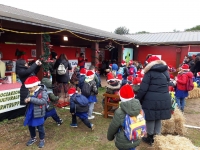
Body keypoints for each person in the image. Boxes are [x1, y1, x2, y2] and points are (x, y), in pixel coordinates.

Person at [135, 56, 171, 145]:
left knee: (150, 118)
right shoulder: (165, 72)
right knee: (158, 117)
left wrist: (137, 98)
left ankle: (150, 137)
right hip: (164, 98)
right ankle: (157, 137)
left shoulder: (149, 73)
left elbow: (143, 89)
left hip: (151, 99)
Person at [107, 84, 142, 150]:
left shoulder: (119, 112)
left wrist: (110, 137)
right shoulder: (138, 107)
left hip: (123, 140)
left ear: (121, 96)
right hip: (136, 136)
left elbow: (113, 126)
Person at [23, 76, 48, 148]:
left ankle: (42, 139)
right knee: (30, 126)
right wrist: (26, 100)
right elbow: (28, 97)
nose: (29, 89)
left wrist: (31, 99)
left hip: (38, 113)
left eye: (30, 88)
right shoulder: (31, 91)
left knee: (40, 127)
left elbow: (43, 101)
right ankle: (33, 137)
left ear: (36, 85)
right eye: (28, 88)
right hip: (31, 112)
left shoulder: (43, 92)